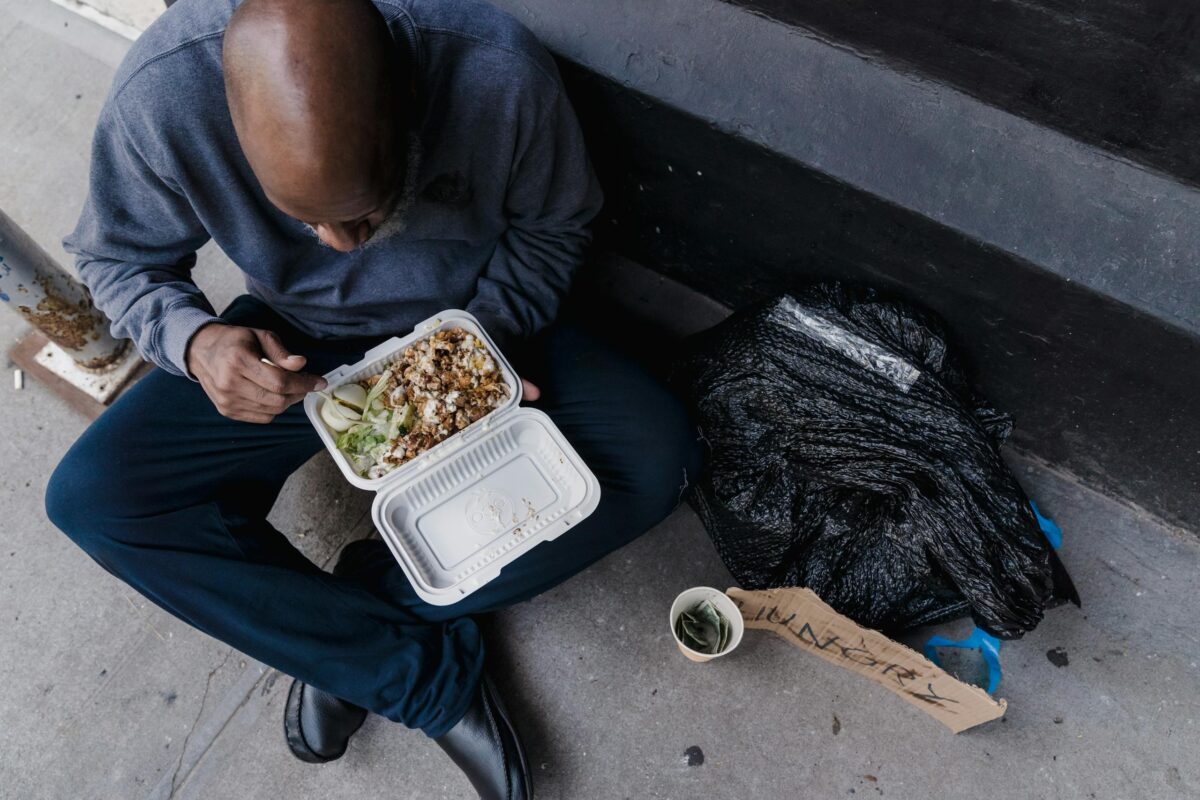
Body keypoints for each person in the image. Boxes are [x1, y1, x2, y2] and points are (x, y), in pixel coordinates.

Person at [45, 1, 701, 798]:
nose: (340, 247)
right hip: (299, 344)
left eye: (364, 211)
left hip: (474, 323)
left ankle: (356, 621)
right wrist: (193, 342)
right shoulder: (162, 93)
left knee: (655, 454)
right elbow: (116, 260)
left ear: (407, 105)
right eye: (303, 219)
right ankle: (409, 670)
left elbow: (557, 226)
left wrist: (470, 360)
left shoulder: (497, 74)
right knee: (96, 500)